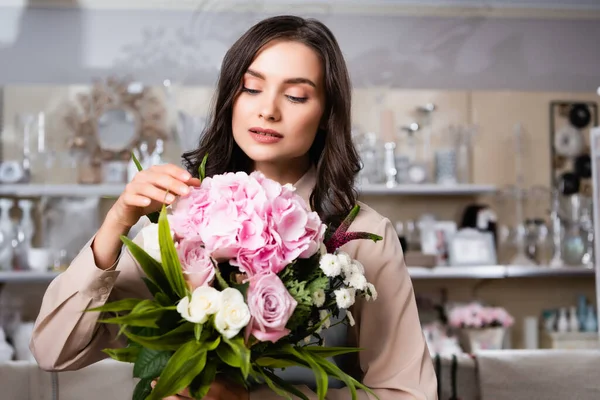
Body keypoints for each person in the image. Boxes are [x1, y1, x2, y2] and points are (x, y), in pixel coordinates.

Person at [30, 15, 438, 400]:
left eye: (296, 95)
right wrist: (116, 223)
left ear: (327, 114)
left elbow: (406, 392)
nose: (268, 109)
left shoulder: (362, 235)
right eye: (251, 87)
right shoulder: (182, 216)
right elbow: (55, 353)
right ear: (230, 96)